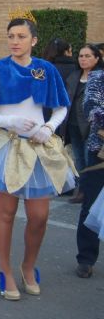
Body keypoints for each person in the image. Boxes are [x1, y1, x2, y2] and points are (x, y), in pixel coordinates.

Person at [0, 12, 76, 300]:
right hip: (6, 145)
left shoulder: (46, 70)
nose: (15, 41)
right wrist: (10, 121)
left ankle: (29, 266)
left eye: (21, 36)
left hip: (38, 146)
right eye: (11, 36)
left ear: (34, 40)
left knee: (39, 216)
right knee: (7, 213)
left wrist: (49, 126)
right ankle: (6, 271)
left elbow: (61, 106)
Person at [59, 45, 104, 203]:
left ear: (97, 58)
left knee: (89, 158)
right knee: (78, 159)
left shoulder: (99, 78)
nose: (83, 59)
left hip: (92, 127)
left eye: (87, 56)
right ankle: (82, 191)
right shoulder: (74, 76)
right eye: (81, 56)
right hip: (72, 124)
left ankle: (90, 192)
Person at [76, 68, 104, 278]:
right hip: (100, 151)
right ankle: (86, 258)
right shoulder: (98, 78)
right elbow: (91, 108)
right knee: (91, 204)